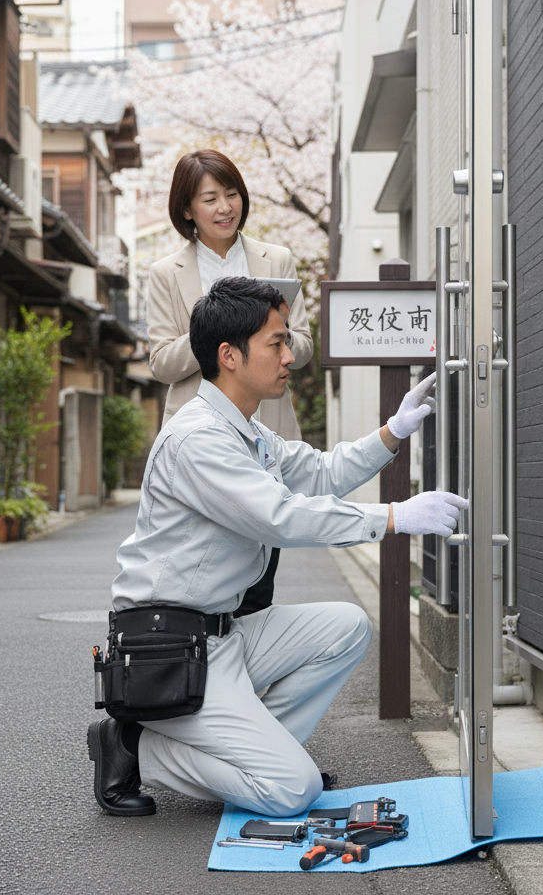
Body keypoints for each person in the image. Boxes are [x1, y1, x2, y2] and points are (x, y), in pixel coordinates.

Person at [87, 277, 468, 819]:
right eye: (276, 342)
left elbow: (320, 472)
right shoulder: (198, 439)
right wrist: (394, 517)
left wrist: (392, 432)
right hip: (170, 647)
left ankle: (264, 760)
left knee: (346, 626)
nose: (290, 355)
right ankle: (133, 748)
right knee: (293, 791)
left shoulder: (249, 431)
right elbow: (281, 516)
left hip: (223, 635)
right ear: (230, 356)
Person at [146, 149, 313, 615]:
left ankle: (252, 670)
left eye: (232, 194)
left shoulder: (275, 259)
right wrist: (214, 332)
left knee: (261, 570)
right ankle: (203, 670)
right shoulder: (165, 273)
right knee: (201, 564)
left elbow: (302, 343)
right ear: (187, 209)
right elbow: (160, 362)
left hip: (267, 434)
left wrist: (268, 343)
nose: (225, 207)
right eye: (210, 198)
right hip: (200, 435)